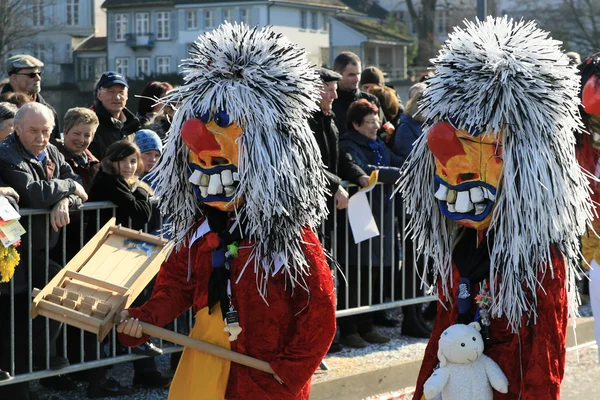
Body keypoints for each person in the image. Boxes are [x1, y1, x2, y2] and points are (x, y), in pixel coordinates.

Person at [117, 22, 335, 400]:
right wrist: (142, 320)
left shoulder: (291, 241)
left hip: (263, 381)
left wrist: (285, 375)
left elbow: (318, 317)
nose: (204, 164)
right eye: (199, 164)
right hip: (205, 370)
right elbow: (175, 288)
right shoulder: (200, 233)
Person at [400, 18, 594, 400]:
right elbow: (442, 334)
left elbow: (545, 363)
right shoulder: (459, 248)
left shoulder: (540, 262)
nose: (450, 161)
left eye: (479, 144)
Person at [0, 102, 88, 399]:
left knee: (59, 293)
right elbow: (34, 195)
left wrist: (64, 200)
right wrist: (67, 190)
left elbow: (79, 188)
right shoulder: (7, 153)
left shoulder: (52, 151)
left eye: (46, 131)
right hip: (12, 248)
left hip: (37, 247)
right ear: (17, 129)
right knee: (15, 316)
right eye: (34, 131)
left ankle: (39, 362)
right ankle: (21, 383)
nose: (41, 138)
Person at [336, 99, 404, 348]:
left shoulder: (377, 144)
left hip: (380, 214)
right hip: (360, 215)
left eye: (377, 121)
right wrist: (396, 173)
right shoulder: (348, 144)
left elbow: (395, 160)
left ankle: (367, 325)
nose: (376, 126)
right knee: (356, 273)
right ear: (356, 124)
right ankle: (350, 329)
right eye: (370, 122)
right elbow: (365, 170)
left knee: (373, 272)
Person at [1, 55, 60, 140]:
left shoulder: (48, 111)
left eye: (39, 74)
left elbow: (54, 146)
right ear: (14, 78)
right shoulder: (1, 110)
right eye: (32, 75)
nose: (38, 78)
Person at [89, 71, 140, 159]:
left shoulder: (132, 125)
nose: (117, 97)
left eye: (121, 92)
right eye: (111, 92)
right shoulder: (91, 124)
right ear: (99, 95)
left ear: (127, 96)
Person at [332, 52, 386, 134]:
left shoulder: (371, 100)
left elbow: (383, 133)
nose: (357, 79)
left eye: (358, 74)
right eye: (351, 75)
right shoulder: (329, 102)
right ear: (337, 74)